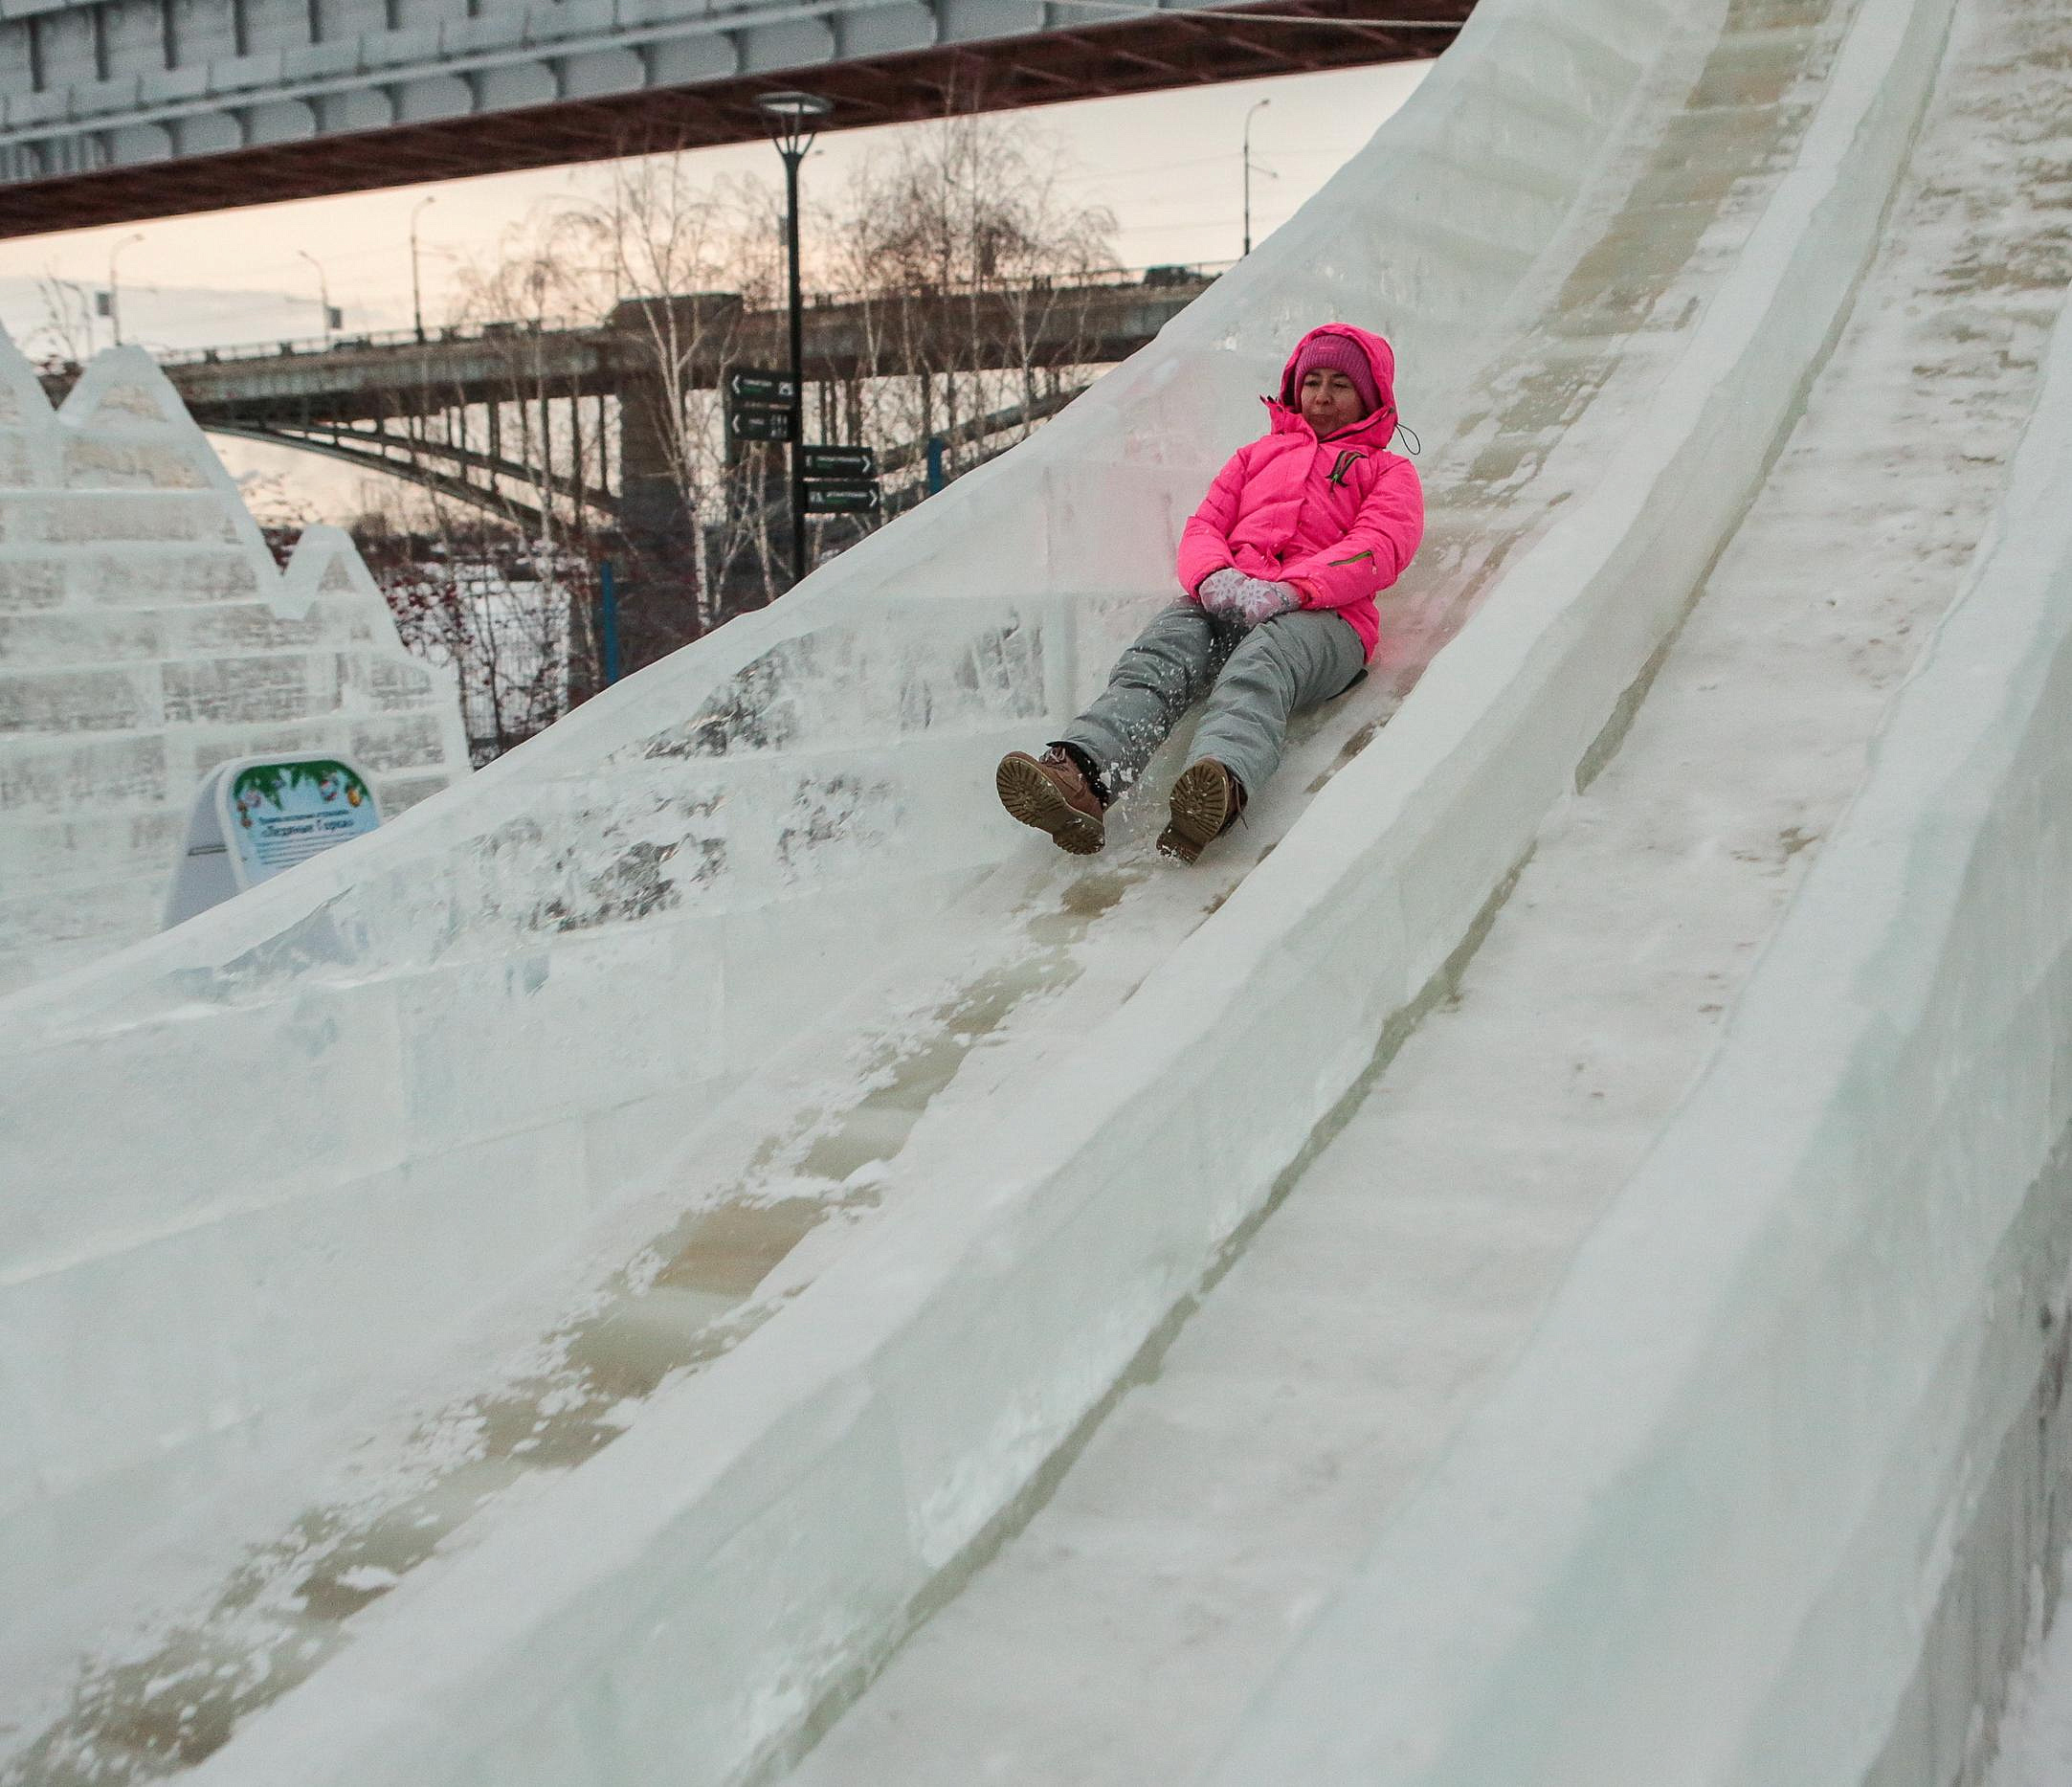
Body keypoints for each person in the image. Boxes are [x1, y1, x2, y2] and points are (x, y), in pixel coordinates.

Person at [996, 323, 1423, 864]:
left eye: (1340, 385)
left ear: (1370, 397)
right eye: (1312, 381)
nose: (1321, 396)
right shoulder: (1254, 458)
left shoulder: (1387, 471)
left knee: (1262, 664)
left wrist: (1295, 589)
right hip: (1229, 596)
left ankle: (1219, 783)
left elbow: (1379, 545)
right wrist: (1213, 577)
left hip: (1326, 620)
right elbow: (1204, 526)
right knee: (1160, 652)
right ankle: (1083, 774)